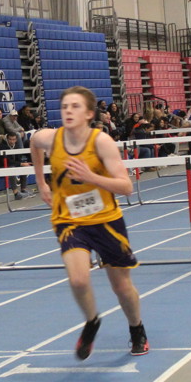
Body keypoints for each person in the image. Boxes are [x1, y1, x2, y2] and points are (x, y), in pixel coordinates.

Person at [29, 86, 148, 361]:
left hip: (105, 221)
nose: (68, 111)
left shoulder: (101, 142)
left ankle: (137, 328)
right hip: (69, 220)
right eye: (65, 106)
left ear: (89, 114)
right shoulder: (51, 138)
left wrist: (91, 177)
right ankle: (92, 321)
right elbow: (34, 142)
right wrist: (41, 181)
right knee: (79, 279)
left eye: (75, 106)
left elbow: (126, 187)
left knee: (121, 287)